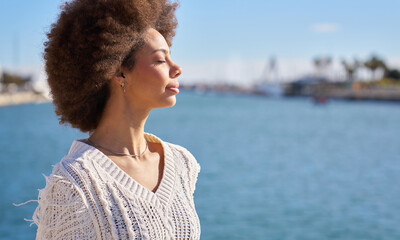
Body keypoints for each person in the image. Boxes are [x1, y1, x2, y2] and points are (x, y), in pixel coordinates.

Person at [32, 0, 201, 239]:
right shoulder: (74, 185)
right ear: (119, 71)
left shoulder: (182, 164)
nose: (177, 68)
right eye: (161, 60)